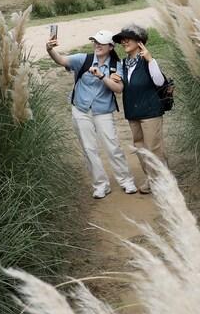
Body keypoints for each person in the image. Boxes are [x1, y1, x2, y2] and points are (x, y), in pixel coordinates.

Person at [46, 28, 139, 198]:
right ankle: (101, 185)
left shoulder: (116, 66)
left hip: (103, 111)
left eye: (101, 42)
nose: (97, 45)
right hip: (81, 110)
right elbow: (61, 60)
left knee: (113, 147)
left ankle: (126, 181)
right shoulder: (84, 59)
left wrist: (102, 76)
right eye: (95, 41)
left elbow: (118, 89)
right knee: (89, 149)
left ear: (111, 46)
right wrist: (50, 49)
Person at [113, 24, 168, 195]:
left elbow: (160, 82)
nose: (124, 41)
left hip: (151, 110)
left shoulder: (148, 61)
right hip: (133, 112)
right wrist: (114, 79)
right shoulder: (123, 63)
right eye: (122, 39)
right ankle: (154, 177)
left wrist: (151, 60)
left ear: (140, 41)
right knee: (140, 147)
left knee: (153, 147)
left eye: (128, 38)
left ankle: (158, 182)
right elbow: (121, 86)